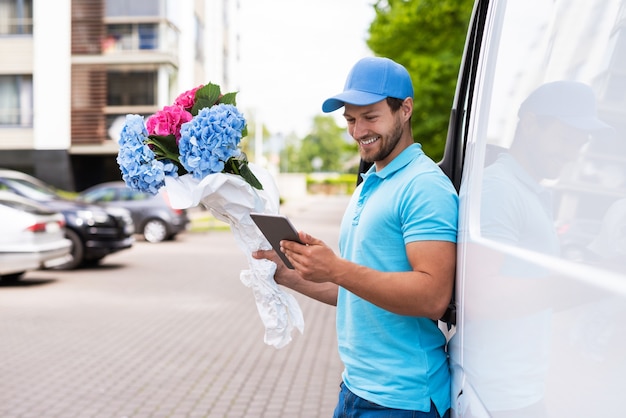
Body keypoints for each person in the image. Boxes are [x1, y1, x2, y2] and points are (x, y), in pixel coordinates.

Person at [253, 56, 458, 417]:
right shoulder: (371, 184)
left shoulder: (424, 186)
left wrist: (336, 268)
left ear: (405, 110)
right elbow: (355, 293)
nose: (358, 130)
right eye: (350, 119)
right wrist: (285, 274)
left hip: (401, 400)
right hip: (356, 389)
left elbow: (433, 297)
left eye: (370, 116)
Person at [448, 81, 614, 417]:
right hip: (495, 394)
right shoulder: (500, 189)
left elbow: (525, 280)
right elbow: (480, 296)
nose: (572, 152)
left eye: (580, 143)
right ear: (531, 123)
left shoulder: (529, 191)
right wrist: (590, 282)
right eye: (566, 138)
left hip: (515, 390)